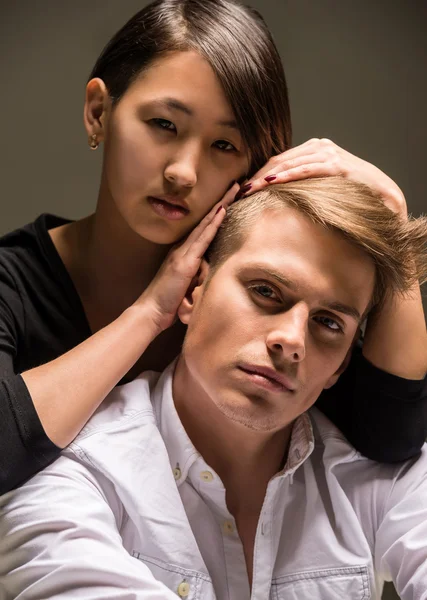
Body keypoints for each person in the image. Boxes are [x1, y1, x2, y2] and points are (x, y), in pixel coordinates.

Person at [0, 0, 426, 495]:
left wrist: (395, 221)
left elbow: (393, 438)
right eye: (164, 124)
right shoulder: (13, 283)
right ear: (99, 112)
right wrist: (149, 314)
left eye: (224, 145)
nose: (183, 171)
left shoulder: (268, 295)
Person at [1, 177, 427, 599]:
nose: (293, 340)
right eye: (266, 291)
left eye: (329, 322)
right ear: (191, 291)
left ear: (342, 366)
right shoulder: (75, 478)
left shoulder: (386, 480)